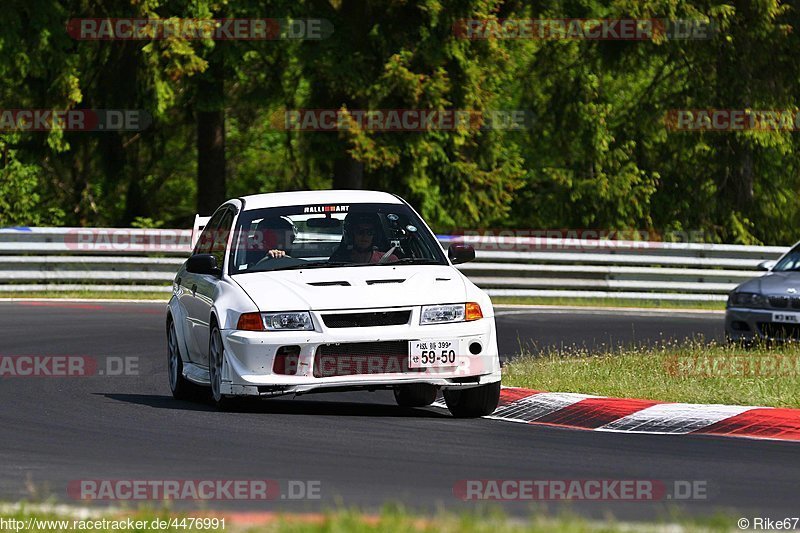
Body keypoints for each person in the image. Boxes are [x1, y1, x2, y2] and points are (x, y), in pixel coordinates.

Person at [330, 213, 398, 264]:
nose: (364, 236)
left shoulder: (390, 260)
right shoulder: (338, 262)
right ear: (350, 234)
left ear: (375, 236)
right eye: (360, 232)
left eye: (369, 232)